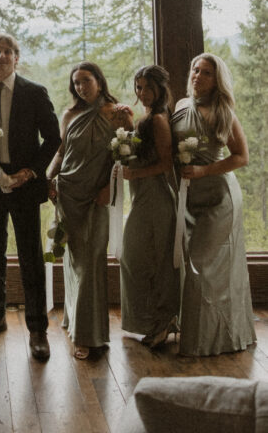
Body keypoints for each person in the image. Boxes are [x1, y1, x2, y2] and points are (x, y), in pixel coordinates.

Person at [0, 32, 60, 362]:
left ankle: (37, 329)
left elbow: (53, 139)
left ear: (17, 58)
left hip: (25, 185)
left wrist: (31, 172)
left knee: (30, 256)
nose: (2, 56)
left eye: (8, 51)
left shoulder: (34, 93)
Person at [47, 61, 132, 359]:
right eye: (76, 83)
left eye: (85, 80)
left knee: (92, 262)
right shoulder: (70, 114)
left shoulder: (118, 113)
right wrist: (49, 179)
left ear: (99, 80)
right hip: (68, 192)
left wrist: (111, 186)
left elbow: (127, 154)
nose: (81, 87)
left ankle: (88, 336)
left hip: (97, 196)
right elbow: (61, 152)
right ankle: (75, 320)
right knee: (73, 260)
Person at [171, 53, 255, 356]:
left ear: (216, 80)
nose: (197, 76)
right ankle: (195, 335)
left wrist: (204, 171)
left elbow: (242, 157)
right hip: (189, 198)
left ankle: (207, 341)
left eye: (206, 73)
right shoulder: (181, 106)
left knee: (203, 268)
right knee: (189, 266)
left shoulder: (224, 112)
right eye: (195, 70)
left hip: (219, 199)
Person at [119, 64, 179, 347]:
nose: (142, 93)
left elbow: (166, 163)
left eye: (147, 88)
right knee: (135, 258)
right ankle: (151, 322)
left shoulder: (159, 119)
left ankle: (163, 321)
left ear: (160, 89)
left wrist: (135, 173)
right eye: (139, 88)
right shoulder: (146, 116)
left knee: (155, 260)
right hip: (142, 196)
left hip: (155, 197)